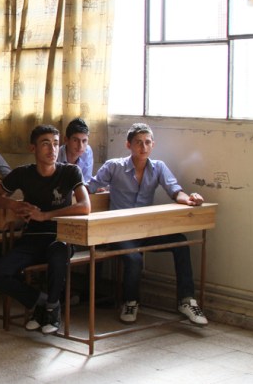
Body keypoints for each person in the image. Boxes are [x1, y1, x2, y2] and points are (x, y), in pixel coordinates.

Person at [87, 122, 208, 326]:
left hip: (145, 229)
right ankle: (131, 301)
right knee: (134, 259)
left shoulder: (158, 167)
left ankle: (186, 300)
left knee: (181, 243)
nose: (143, 147)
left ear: (153, 144)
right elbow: (90, 186)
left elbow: (174, 190)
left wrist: (189, 200)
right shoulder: (114, 166)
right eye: (138, 143)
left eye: (147, 142)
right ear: (129, 145)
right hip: (119, 231)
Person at [0, 125, 90, 335]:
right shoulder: (23, 174)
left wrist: (45, 215)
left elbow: (85, 206)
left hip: (61, 236)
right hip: (32, 238)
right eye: (45, 144)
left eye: (56, 144)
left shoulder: (70, 171)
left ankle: (52, 308)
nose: (52, 149)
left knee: (58, 252)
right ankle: (41, 302)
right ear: (32, 148)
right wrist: (14, 205)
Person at [57, 117, 94, 184]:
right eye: (75, 140)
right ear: (66, 140)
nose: (80, 146)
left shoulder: (87, 151)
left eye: (84, 141)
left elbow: (86, 181)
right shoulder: (56, 155)